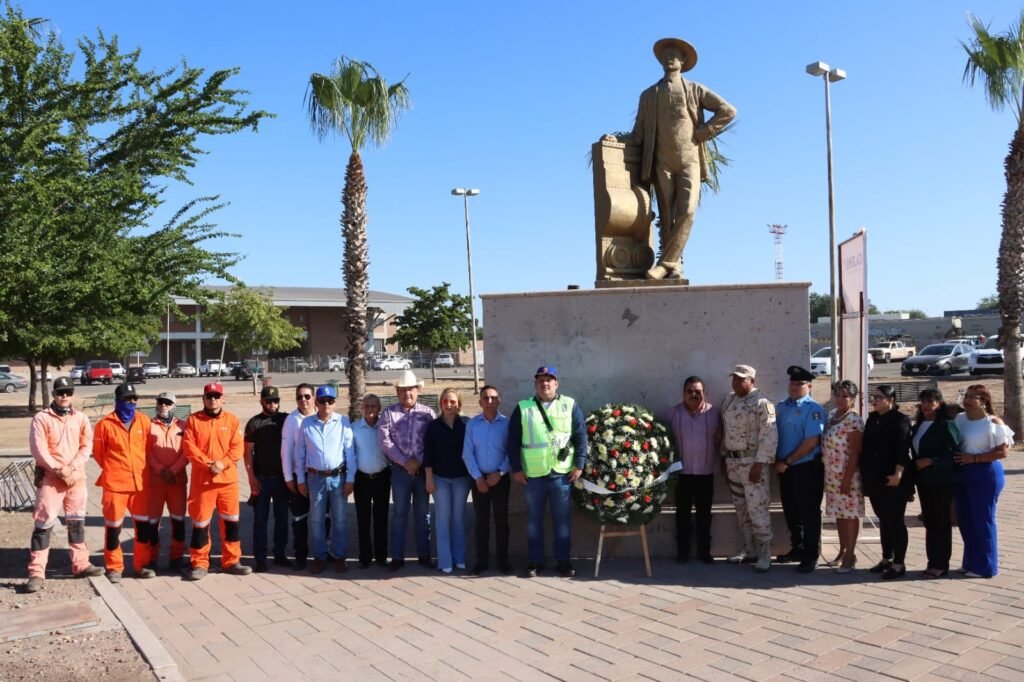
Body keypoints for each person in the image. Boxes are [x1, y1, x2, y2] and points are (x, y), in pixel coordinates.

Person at [603, 37, 736, 280]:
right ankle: (674, 267)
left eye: (675, 54)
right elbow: (638, 134)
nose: (669, 57)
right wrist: (617, 141)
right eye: (666, 54)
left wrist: (702, 133)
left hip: (689, 159)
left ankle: (666, 263)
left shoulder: (695, 89)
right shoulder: (648, 95)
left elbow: (728, 110)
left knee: (687, 210)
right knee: (666, 216)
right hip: (662, 161)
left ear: (684, 61)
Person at [25, 377, 104, 593]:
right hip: (51, 479)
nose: (64, 396)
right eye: (61, 392)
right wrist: (59, 470)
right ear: (54, 394)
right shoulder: (41, 418)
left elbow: (86, 446)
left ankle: (81, 564)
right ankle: (36, 572)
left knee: (76, 521)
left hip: (75, 478)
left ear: (73, 394)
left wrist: (71, 468)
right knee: (44, 523)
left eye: (68, 392)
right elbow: (39, 450)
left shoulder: (80, 418)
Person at [508, 365, 587, 578]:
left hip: (561, 473)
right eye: (541, 380)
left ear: (556, 383)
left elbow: (580, 435)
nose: (545, 384)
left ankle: (563, 561)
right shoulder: (523, 407)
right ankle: (535, 561)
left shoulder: (569, 405)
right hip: (532, 475)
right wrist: (516, 469)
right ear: (535, 384)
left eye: (549, 380)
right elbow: (513, 440)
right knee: (534, 521)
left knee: (562, 520)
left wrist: (579, 464)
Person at [183, 382, 251, 580]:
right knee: (201, 523)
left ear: (223, 398)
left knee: (231, 523)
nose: (213, 399)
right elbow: (189, 447)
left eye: (216, 396)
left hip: (227, 481)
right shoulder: (193, 421)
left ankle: (231, 561)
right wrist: (208, 465)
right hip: (203, 482)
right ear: (203, 398)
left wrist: (222, 463)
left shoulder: (232, 420)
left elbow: (237, 448)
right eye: (209, 396)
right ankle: (199, 562)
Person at [92, 383, 155, 582]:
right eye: (128, 399)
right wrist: (116, 469)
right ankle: (114, 567)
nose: (132, 402)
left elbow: (149, 449)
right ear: (118, 400)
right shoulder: (105, 424)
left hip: (140, 485)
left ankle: (141, 564)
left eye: (135, 399)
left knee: (143, 528)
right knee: (113, 528)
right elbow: (99, 455)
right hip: (115, 485)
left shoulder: (144, 421)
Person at [719, 365, 777, 572]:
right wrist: (724, 458)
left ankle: (765, 553)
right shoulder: (729, 400)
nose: (736, 382)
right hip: (733, 463)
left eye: (740, 379)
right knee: (741, 509)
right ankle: (748, 548)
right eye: (734, 378)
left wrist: (759, 464)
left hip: (753, 464)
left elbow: (769, 436)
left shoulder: (762, 403)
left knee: (757, 509)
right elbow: (725, 432)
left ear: (751, 380)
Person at [294, 384, 355, 573]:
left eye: (330, 400)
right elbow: (299, 453)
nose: (326, 404)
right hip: (315, 478)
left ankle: (339, 556)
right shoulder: (307, 424)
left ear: (335, 403)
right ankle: (319, 556)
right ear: (316, 402)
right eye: (322, 400)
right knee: (316, 519)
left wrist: (350, 479)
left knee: (340, 519)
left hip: (338, 477)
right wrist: (300, 480)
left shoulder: (343, 422)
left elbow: (350, 452)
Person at [378, 370, 436, 571]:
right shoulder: (388, 414)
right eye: (402, 390)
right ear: (397, 391)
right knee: (399, 513)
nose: (407, 394)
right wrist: (405, 462)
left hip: (421, 472)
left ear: (417, 390)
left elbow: (432, 441)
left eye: (410, 389)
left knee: (423, 513)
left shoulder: (428, 414)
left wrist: (417, 461)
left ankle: (424, 554)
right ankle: (397, 556)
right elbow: (385, 442)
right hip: (400, 472)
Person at [953, 385, 1012, 578]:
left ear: (984, 401)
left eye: (973, 397)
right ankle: (970, 562)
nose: (967, 401)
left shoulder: (992, 422)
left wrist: (974, 459)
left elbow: (1002, 452)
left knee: (982, 520)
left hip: (985, 474)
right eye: (966, 396)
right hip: (962, 474)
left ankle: (986, 567)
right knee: (965, 520)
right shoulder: (959, 419)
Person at [774, 366, 825, 573]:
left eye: (800, 383)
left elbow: (811, 441)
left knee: (809, 513)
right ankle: (798, 548)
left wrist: (787, 461)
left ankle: (811, 555)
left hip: (806, 468)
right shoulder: (781, 406)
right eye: (792, 383)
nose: (794, 387)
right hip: (785, 468)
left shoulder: (813, 409)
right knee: (791, 511)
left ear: (809, 386)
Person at [859, 385, 913, 580]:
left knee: (895, 520)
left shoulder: (901, 420)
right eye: (874, 397)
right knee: (884, 519)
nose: (875, 400)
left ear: (891, 400)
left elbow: (902, 449)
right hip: (875, 478)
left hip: (893, 479)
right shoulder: (873, 418)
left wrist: (898, 474)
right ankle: (886, 559)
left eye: (879, 397)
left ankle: (899, 563)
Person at [666, 376, 721, 564]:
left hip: (705, 473)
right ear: (683, 393)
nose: (694, 395)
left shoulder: (714, 413)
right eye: (690, 391)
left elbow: (719, 439)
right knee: (682, 515)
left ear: (704, 392)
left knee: (705, 515)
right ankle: (683, 552)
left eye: (698, 391)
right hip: (682, 474)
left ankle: (704, 552)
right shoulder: (673, 414)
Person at [463, 385, 512, 575]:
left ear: (499, 400)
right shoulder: (472, 425)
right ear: (480, 402)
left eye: (493, 398)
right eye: (486, 398)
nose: (489, 401)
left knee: (502, 521)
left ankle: (503, 561)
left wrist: (500, 473)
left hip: (500, 479)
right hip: (479, 480)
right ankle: (481, 561)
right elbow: (467, 453)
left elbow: (511, 452)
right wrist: (478, 477)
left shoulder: (507, 424)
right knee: (481, 521)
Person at [911, 388, 959, 579]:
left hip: (942, 480)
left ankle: (941, 564)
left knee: (941, 522)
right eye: (923, 401)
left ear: (939, 404)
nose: (926, 405)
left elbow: (955, 455)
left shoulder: (947, 425)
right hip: (924, 481)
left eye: (930, 401)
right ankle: (932, 561)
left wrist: (932, 461)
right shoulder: (918, 425)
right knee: (930, 522)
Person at [424, 388, 472, 574]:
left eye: (452, 401)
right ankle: (444, 561)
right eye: (445, 401)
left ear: (458, 404)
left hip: (461, 479)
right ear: (441, 403)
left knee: (458, 518)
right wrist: (429, 479)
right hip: (440, 479)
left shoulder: (466, 425)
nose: (449, 405)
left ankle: (459, 558)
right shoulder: (433, 426)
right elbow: (428, 455)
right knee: (443, 520)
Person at [243, 386, 291, 572]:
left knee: (282, 519)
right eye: (269, 401)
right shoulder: (254, 423)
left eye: (275, 401)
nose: (273, 404)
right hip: (262, 478)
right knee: (260, 520)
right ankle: (260, 559)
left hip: (282, 479)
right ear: (261, 401)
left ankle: (279, 555)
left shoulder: (286, 420)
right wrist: (251, 478)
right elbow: (247, 453)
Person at [821, 380, 864, 574]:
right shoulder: (832, 415)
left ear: (853, 399)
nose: (840, 399)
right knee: (839, 514)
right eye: (837, 395)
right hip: (832, 474)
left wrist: (847, 478)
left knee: (850, 514)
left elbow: (855, 452)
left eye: (845, 396)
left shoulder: (854, 419)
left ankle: (850, 555)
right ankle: (842, 550)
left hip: (848, 474)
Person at [146, 391, 189, 573]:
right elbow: (145, 452)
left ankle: (177, 557)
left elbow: (188, 452)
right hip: (155, 482)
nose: (163, 405)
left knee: (178, 521)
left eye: (167, 403)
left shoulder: (184, 426)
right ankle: (151, 558)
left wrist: (173, 470)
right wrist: (160, 470)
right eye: (161, 402)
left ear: (174, 406)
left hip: (177, 482)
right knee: (153, 522)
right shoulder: (148, 426)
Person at [281, 383, 316, 570]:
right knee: (299, 518)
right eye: (299, 397)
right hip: (298, 476)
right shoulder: (292, 420)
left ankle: (322, 554)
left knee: (323, 517)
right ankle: (300, 555)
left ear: (314, 397)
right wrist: (288, 477)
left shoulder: (322, 415)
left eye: (307, 396)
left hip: (318, 476)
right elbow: (286, 451)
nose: (303, 400)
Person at [353, 393, 390, 568]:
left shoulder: (385, 428)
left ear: (379, 409)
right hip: (362, 478)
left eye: (373, 406)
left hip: (382, 477)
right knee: (363, 518)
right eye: (366, 406)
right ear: (362, 408)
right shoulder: (354, 429)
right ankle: (365, 556)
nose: (369, 409)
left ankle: (381, 556)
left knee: (381, 517)